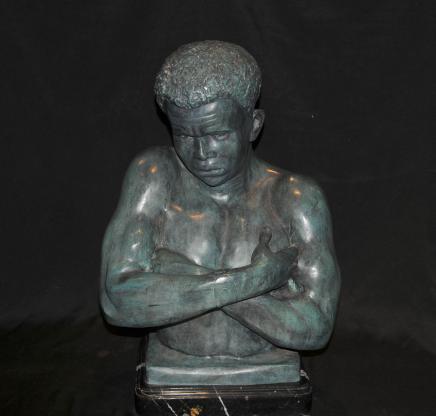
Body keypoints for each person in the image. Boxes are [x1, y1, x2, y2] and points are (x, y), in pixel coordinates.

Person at [100, 40, 340, 386]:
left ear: (253, 125)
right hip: (173, 367)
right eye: (184, 134)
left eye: (218, 134)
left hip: (265, 370)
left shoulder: (295, 198)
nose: (201, 153)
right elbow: (116, 302)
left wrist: (183, 272)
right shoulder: (155, 177)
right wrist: (254, 281)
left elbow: (315, 328)